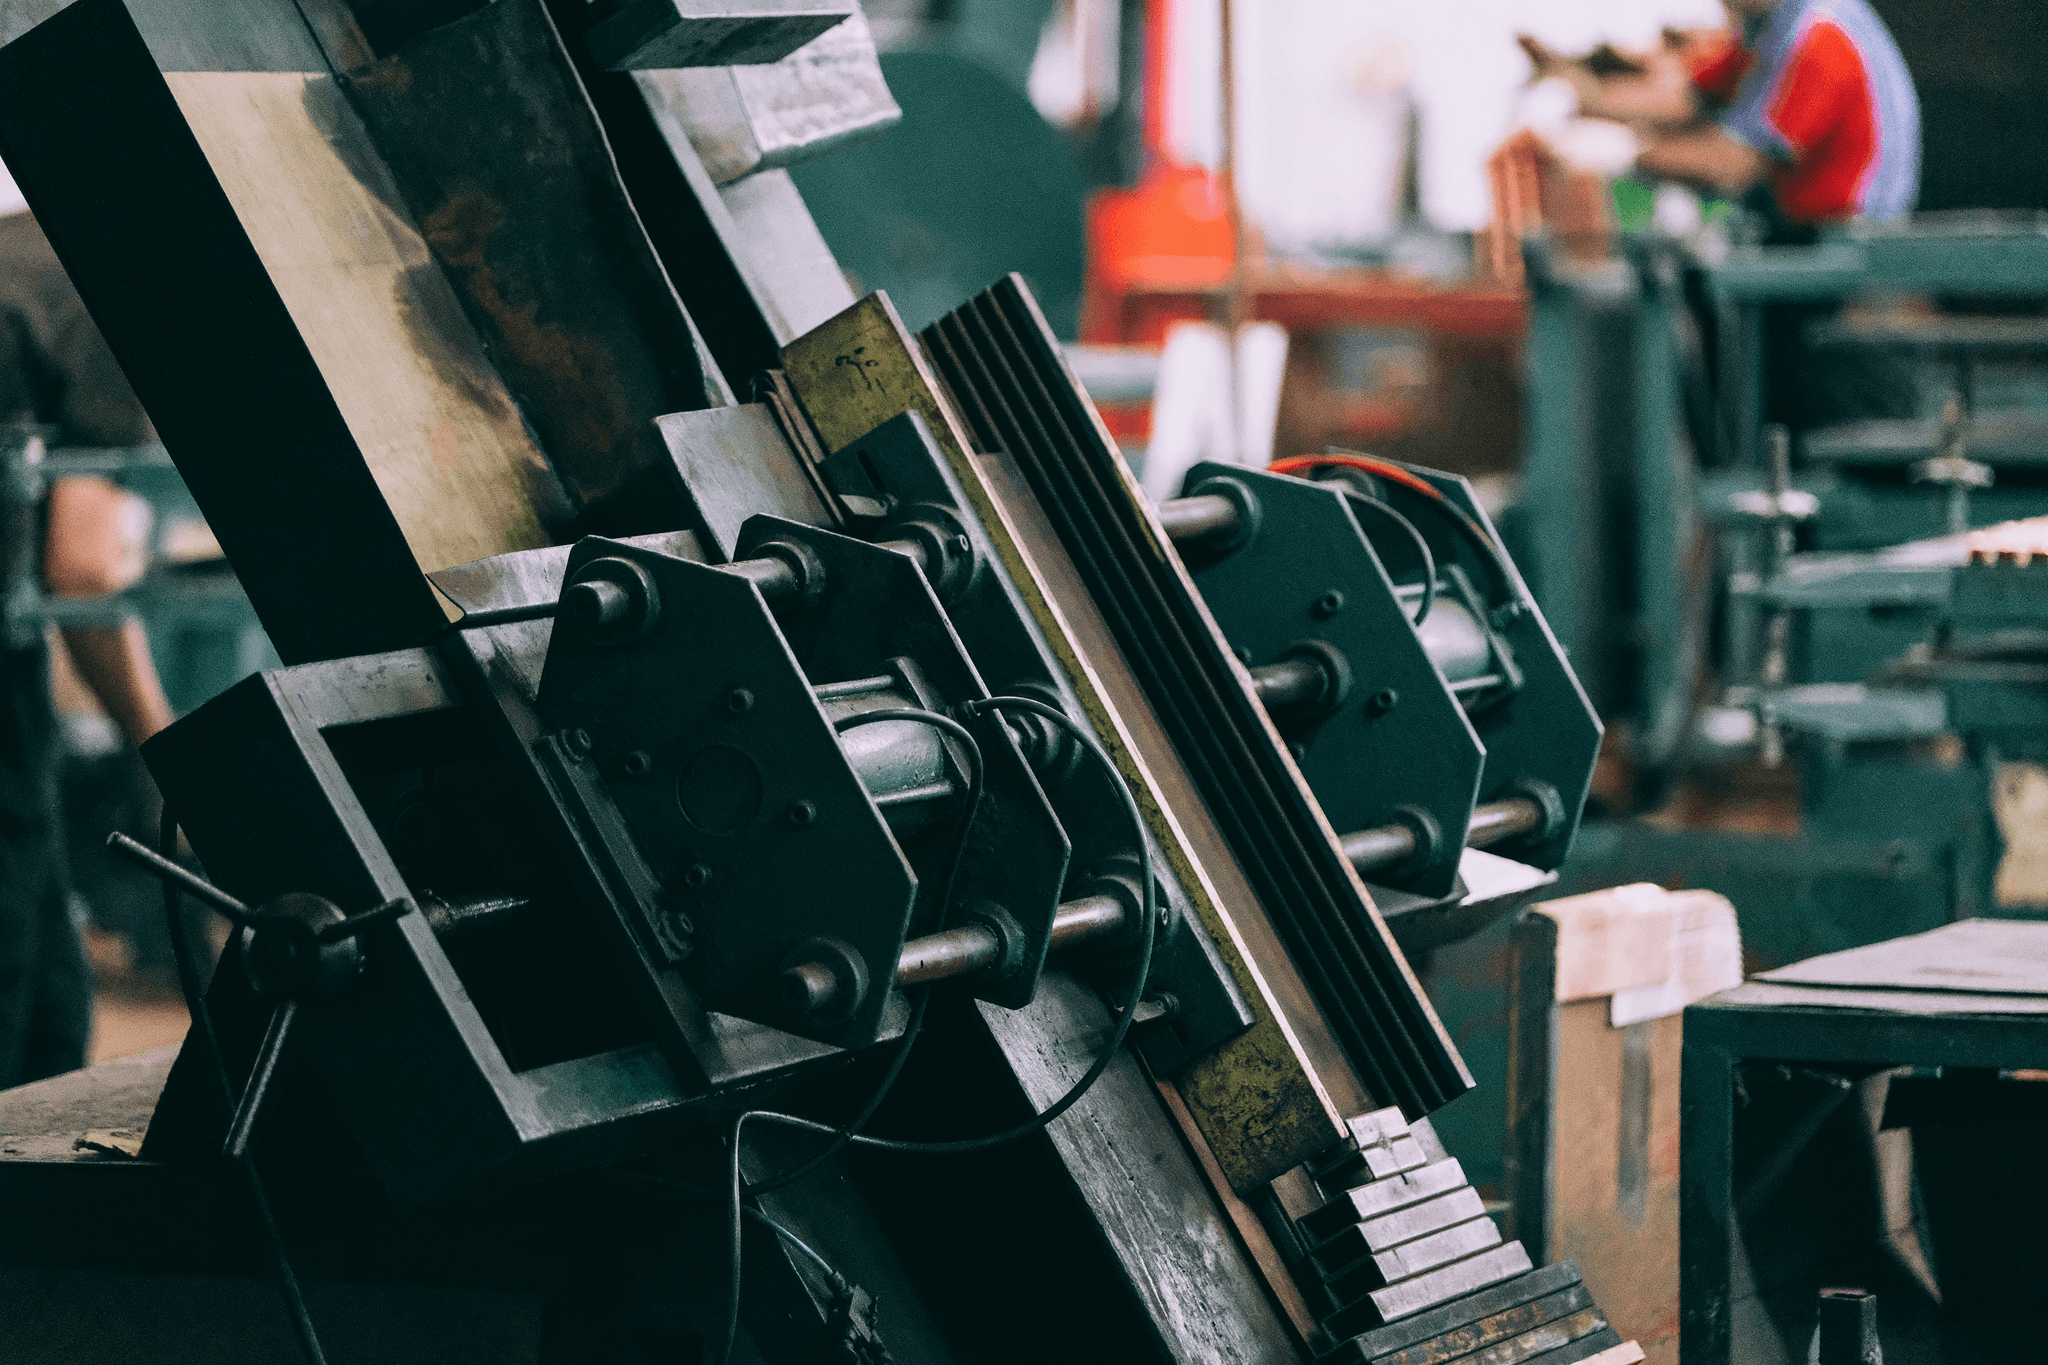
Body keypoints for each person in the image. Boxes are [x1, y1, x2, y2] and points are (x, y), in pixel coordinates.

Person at [1530, 0, 1923, 432]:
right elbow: (1687, 100)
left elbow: (1733, 165)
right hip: (1808, 257)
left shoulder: (1820, 36)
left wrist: (1621, 151)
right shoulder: (1773, 27)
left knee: (1831, 436)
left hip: (1850, 277)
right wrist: (1582, 93)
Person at [0, 205, 176, 1089]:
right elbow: (82, 569)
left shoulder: (29, 245)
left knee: (50, 1007)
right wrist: (162, 748)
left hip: (13, 651)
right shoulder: (123, 281)